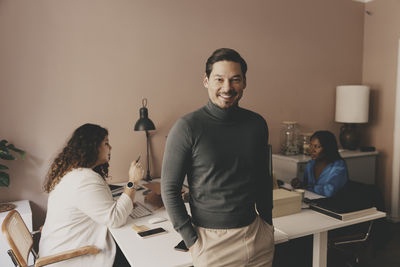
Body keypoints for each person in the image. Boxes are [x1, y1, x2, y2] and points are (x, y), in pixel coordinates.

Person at [161, 48, 274, 267]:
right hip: (211, 243)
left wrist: (267, 223)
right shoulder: (187, 127)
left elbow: (263, 177)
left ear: (244, 82)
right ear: (206, 81)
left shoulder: (257, 124)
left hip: (257, 236)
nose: (227, 88)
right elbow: (169, 188)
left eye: (235, 80)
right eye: (219, 79)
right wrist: (192, 241)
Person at [39, 123, 144, 267]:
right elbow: (115, 219)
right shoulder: (84, 179)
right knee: (138, 254)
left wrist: (127, 201)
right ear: (93, 147)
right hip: (71, 258)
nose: (110, 148)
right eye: (106, 143)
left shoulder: (73, 174)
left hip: (60, 251)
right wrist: (133, 181)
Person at [291, 130, 348, 197]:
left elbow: (329, 192)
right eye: (311, 145)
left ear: (327, 148)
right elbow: (306, 185)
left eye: (317, 147)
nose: (311, 150)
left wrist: (306, 186)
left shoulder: (338, 166)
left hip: (332, 204)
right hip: (313, 201)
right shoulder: (310, 164)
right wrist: (299, 184)